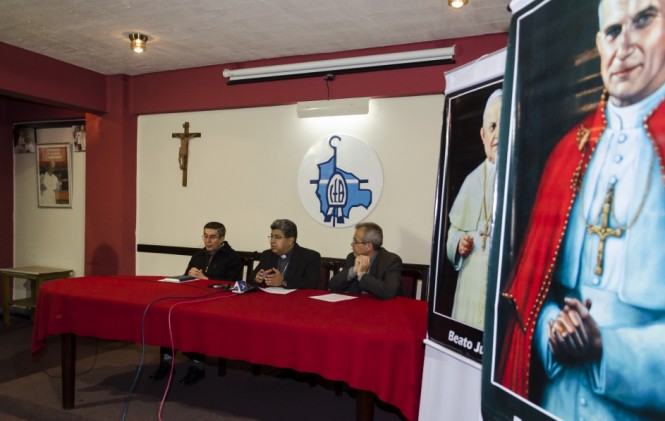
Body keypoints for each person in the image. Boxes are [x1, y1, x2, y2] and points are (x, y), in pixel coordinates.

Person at [498, 1, 665, 419]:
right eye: (612, 32)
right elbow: (531, 292)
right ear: (598, 44)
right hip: (556, 399)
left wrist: (606, 349)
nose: (623, 45)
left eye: (642, 21)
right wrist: (553, 327)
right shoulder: (567, 155)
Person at [151, 221, 242, 385]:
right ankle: (166, 363)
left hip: (217, 304)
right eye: (205, 236)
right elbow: (187, 277)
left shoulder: (233, 258)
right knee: (169, 316)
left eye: (213, 237)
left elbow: (232, 287)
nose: (208, 241)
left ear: (222, 238)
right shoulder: (198, 255)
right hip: (193, 299)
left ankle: (197, 367)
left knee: (196, 321)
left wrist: (205, 279)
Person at [446, 88, 502, 330]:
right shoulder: (471, 180)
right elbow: (452, 233)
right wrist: (459, 242)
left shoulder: (521, 180)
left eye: (504, 125)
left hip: (501, 279)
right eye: (492, 127)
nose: (497, 134)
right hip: (471, 277)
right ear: (482, 135)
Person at [329, 222, 403, 300]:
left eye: (355, 241)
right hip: (357, 306)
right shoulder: (352, 257)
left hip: (382, 308)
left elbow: (388, 292)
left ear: (368, 246)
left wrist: (362, 275)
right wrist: (354, 270)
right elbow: (333, 285)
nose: (352, 244)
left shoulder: (390, 260)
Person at [249, 219, 321, 289]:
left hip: (295, 299)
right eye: (271, 236)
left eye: (277, 237)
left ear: (290, 240)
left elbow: (311, 284)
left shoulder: (310, 257)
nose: (272, 241)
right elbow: (250, 278)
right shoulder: (267, 255)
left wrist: (283, 281)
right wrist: (257, 278)